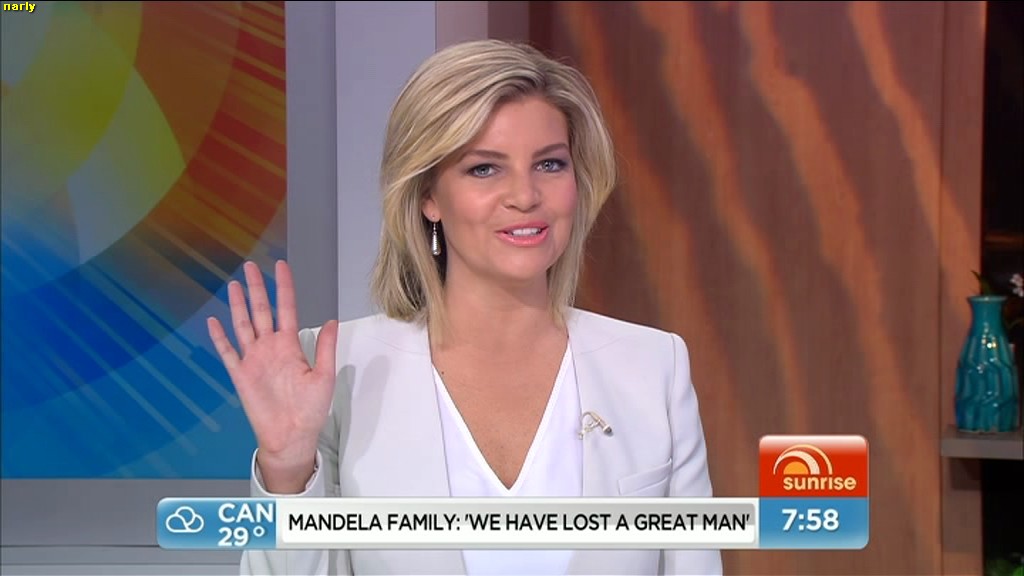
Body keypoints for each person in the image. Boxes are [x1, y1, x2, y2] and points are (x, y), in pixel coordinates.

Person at [207, 39, 721, 576]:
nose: (525, 195)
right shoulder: (339, 370)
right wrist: (287, 473)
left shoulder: (653, 367)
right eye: (484, 169)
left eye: (549, 164)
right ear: (428, 195)